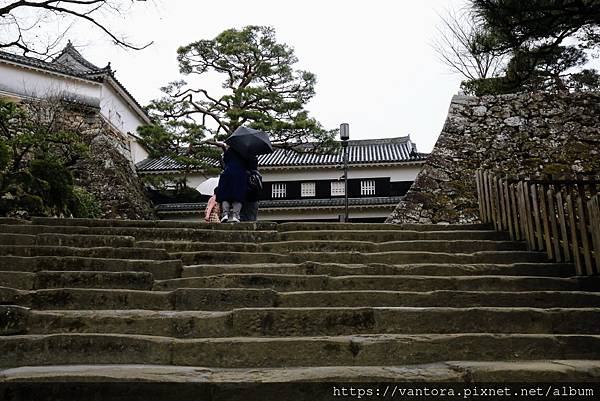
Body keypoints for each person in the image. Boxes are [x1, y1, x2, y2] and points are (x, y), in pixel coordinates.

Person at [216, 146, 250, 223]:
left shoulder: (229, 151)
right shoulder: (244, 151)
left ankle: (225, 214)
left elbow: (225, 160)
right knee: (238, 196)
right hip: (239, 175)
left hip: (227, 174)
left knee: (225, 196)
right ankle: (236, 215)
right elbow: (250, 164)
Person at [240, 155, 261, 222]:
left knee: (244, 217)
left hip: (246, 197)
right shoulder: (258, 175)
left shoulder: (245, 173)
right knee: (253, 217)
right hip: (255, 198)